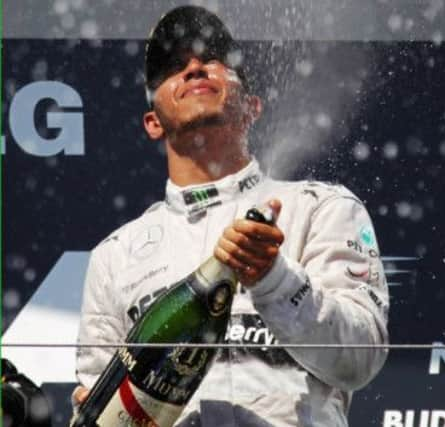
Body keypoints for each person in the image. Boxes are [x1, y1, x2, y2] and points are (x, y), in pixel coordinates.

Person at [73, 5, 389, 426]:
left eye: (215, 58)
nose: (194, 67)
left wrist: (273, 278)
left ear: (252, 106)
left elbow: (359, 360)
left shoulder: (322, 208)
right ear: (152, 122)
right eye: (172, 66)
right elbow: (97, 409)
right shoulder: (114, 257)